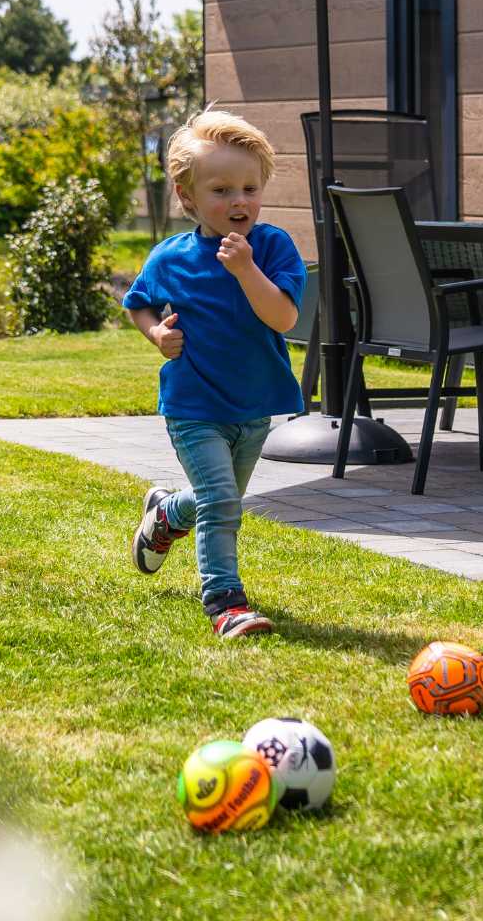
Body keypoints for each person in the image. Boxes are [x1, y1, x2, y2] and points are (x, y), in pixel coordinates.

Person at [123, 110, 306, 638]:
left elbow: (284, 318)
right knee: (222, 502)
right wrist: (157, 335)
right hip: (193, 405)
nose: (239, 201)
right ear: (188, 198)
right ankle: (225, 602)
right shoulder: (169, 257)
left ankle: (165, 515)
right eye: (222, 190)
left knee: (214, 499)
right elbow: (138, 304)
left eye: (249, 188)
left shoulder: (271, 248)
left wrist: (245, 268)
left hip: (253, 407)